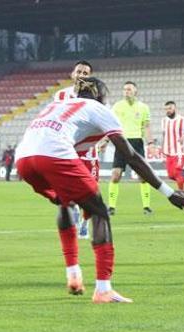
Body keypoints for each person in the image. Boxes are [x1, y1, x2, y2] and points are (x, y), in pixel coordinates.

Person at [15, 77, 184, 302]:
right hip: (53, 155)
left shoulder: (56, 105)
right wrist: (168, 192)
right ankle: (103, 288)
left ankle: (73, 274)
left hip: (23, 160)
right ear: (101, 96)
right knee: (99, 212)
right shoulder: (98, 108)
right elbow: (131, 156)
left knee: (65, 201)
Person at [53, 60, 103, 239]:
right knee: (67, 190)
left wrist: (103, 140)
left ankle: (84, 222)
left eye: (85, 73)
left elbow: (104, 123)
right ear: (72, 74)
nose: (82, 76)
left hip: (89, 152)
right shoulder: (60, 96)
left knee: (90, 191)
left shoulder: (97, 99)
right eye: (79, 72)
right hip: (66, 151)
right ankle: (72, 213)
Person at [109, 81, 155, 215]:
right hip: (121, 142)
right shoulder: (117, 106)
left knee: (143, 177)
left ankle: (146, 207)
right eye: (124, 90)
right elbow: (110, 125)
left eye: (129, 89)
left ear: (136, 91)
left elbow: (146, 127)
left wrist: (150, 143)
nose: (126, 92)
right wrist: (106, 140)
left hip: (137, 143)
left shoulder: (143, 107)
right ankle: (111, 207)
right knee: (116, 175)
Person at [161, 101, 184, 192]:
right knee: (171, 176)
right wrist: (163, 148)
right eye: (166, 109)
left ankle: (181, 193)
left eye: (170, 108)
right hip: (168, 152)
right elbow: (164, 135)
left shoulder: (182, 120)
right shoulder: (164, 121)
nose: (168, 111)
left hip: (179, 151)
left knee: (177, 172)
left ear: (175, 108)